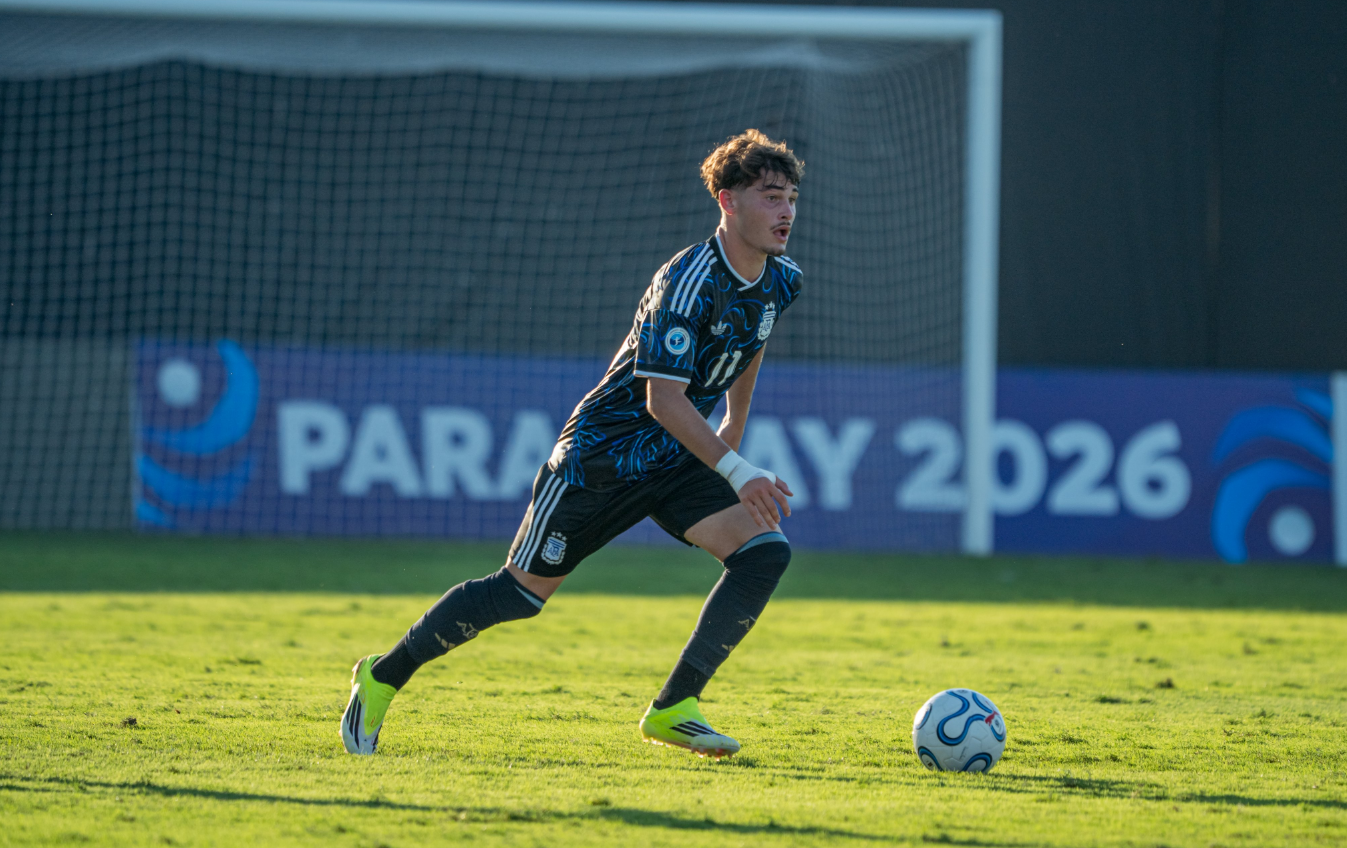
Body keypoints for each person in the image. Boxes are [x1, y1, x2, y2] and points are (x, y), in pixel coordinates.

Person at [342, 129, 804, 759]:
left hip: (675, 454)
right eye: (772, 196)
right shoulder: (688, 280)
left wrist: (732, 429)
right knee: (520, 595)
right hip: (600, 459)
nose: (786, 212)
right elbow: (661, 401)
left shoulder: (782, 279)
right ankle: (382, 676)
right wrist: (738, 468)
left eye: (792, 199)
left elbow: (752, 341)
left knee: (763, 553)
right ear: (726, 201)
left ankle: (675, 707)